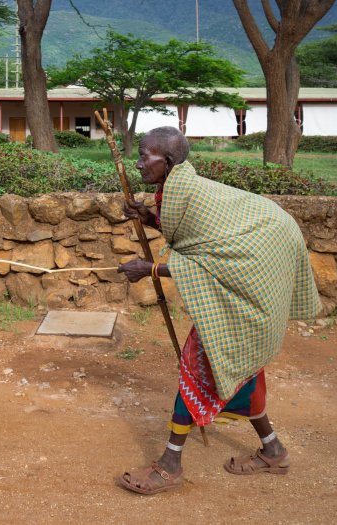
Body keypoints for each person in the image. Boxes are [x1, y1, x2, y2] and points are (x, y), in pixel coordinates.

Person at [116, 126, 321, 494]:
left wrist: (149, 269)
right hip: (252, 278)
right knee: (243, 369)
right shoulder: (176, 189)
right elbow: (196, 236)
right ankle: (273, 450)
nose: (139, 161)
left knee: (196, 366)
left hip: (256, 275)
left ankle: (170, 465)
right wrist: (147, 216)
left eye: (145, 155)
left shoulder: (187, 190)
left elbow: (214, 262)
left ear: (170, 161)